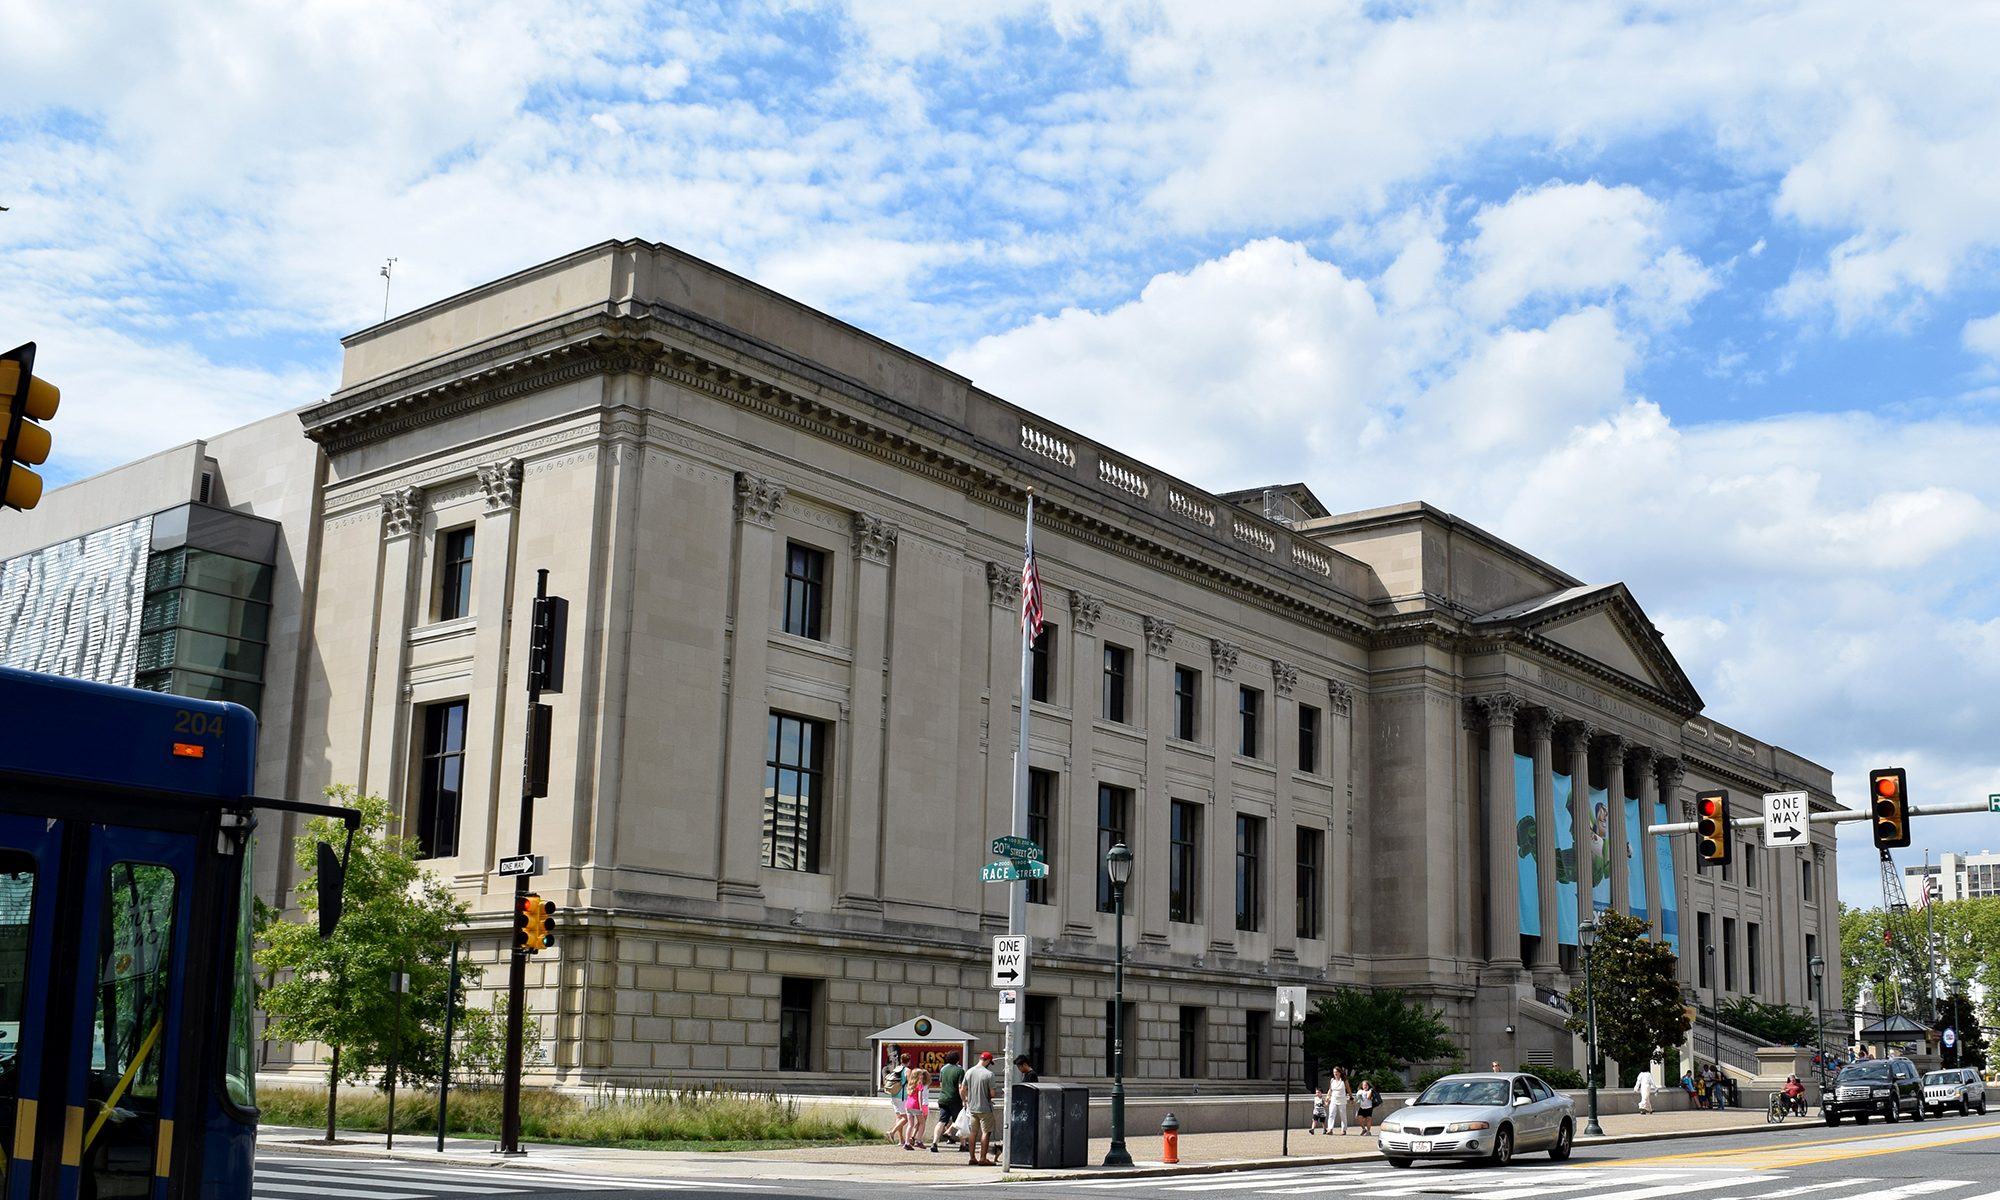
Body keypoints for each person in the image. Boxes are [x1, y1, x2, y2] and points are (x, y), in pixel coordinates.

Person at [963, 1050, 999, 1166]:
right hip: (985, 1108)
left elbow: (963, 1089)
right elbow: (993, 1094)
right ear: (988, 1061)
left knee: (973, 1132)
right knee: (986, 1132)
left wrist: (965, 1101)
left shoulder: (969, 1072)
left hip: (972, 1108)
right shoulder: (989, 1074)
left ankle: (972, 1157)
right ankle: (983, 1158)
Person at [930, 1050, 965, 1152]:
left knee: (942, 1121)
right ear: (958, 1060)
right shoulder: (960, 1071)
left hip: (943, 1098)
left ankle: (934, 1143)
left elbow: (941, 1084)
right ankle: (963, 1145)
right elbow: (960, 1087)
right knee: (960, 1121)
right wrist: (963, 1099)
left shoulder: (943, 1069)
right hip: (955, 1099)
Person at [882, 1049, 911, 1145]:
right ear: (909, 1061)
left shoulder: (896, 1069)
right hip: (902, 1096)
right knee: (905, 1118)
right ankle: (891, 1132)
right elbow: (910, 1083)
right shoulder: (907, 1071)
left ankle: (901, 1140)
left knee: (899, 1117)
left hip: (894, 1095)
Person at [902, 1062, 931, 1149]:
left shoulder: (910, 1084)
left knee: (910, 1124)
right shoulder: (920, 1085)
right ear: (917, 1076)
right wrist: (921, 1107)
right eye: (920, 1075)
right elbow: (920, 1097)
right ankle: (919, 1140)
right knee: (922, 1123)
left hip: (908, 1105)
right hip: (916, 1105)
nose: (922, 1077)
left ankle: (907, 1142)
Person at [1327, 1067, 1351, 1135]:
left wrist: (1351, 1097)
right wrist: (1327, 1097)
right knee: (1331, 1114)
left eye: (1336, 1072)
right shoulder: (1332, 1080)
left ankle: (1343, 1129)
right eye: (1334, 1072)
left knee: (1343, 1115)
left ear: (1340, 1072)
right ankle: (1330, 1129)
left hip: (1342, 1099)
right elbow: (1330, 1089)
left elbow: (1348, 1089)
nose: (1335, 1074)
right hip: (1334, 1099)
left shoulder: (1344, 1080)